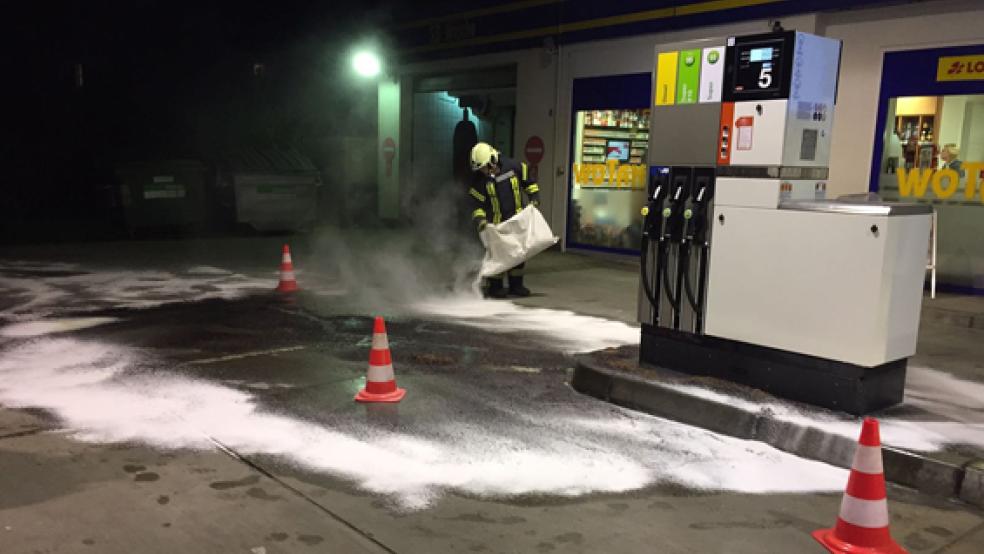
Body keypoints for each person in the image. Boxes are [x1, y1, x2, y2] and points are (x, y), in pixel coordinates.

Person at [468, 142, 540, 298]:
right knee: (498, 257)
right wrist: (481, 220)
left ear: (493, 160)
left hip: (517, 220)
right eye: (480, 169)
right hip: (496, 225)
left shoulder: (514, 166)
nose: (483, 171)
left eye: (484, 167)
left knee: (519, 255)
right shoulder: (479, 181)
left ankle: (517, 285)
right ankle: (496, 288)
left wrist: (534, 199)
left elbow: (530, 184)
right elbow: (476, 204)